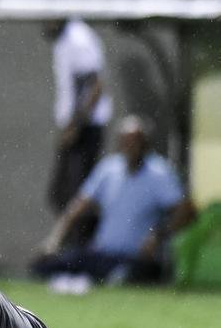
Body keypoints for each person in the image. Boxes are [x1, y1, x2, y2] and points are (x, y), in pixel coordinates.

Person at [35, 114, 196, 287]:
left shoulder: (159, 172)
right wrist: (54, 240)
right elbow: (77, 206)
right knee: (44, 266)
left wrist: (159, 235)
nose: (131, 146)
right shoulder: (108, 169)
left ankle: (106, 280)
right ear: (120, 143)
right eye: (126, 141)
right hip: (102, 254)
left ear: (145, 143)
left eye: (136, 141)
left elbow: (186, 211)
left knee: (127, 276)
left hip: (136, 259)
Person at [43, 17, 112, 216]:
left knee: (78, 194)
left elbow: (94, 86)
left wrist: (76, 125)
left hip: (85, 128)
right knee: (62, 193)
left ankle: (82, 242)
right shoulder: (65, 39)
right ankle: (74, 240)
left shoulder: (78, 39)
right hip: (76, 125)